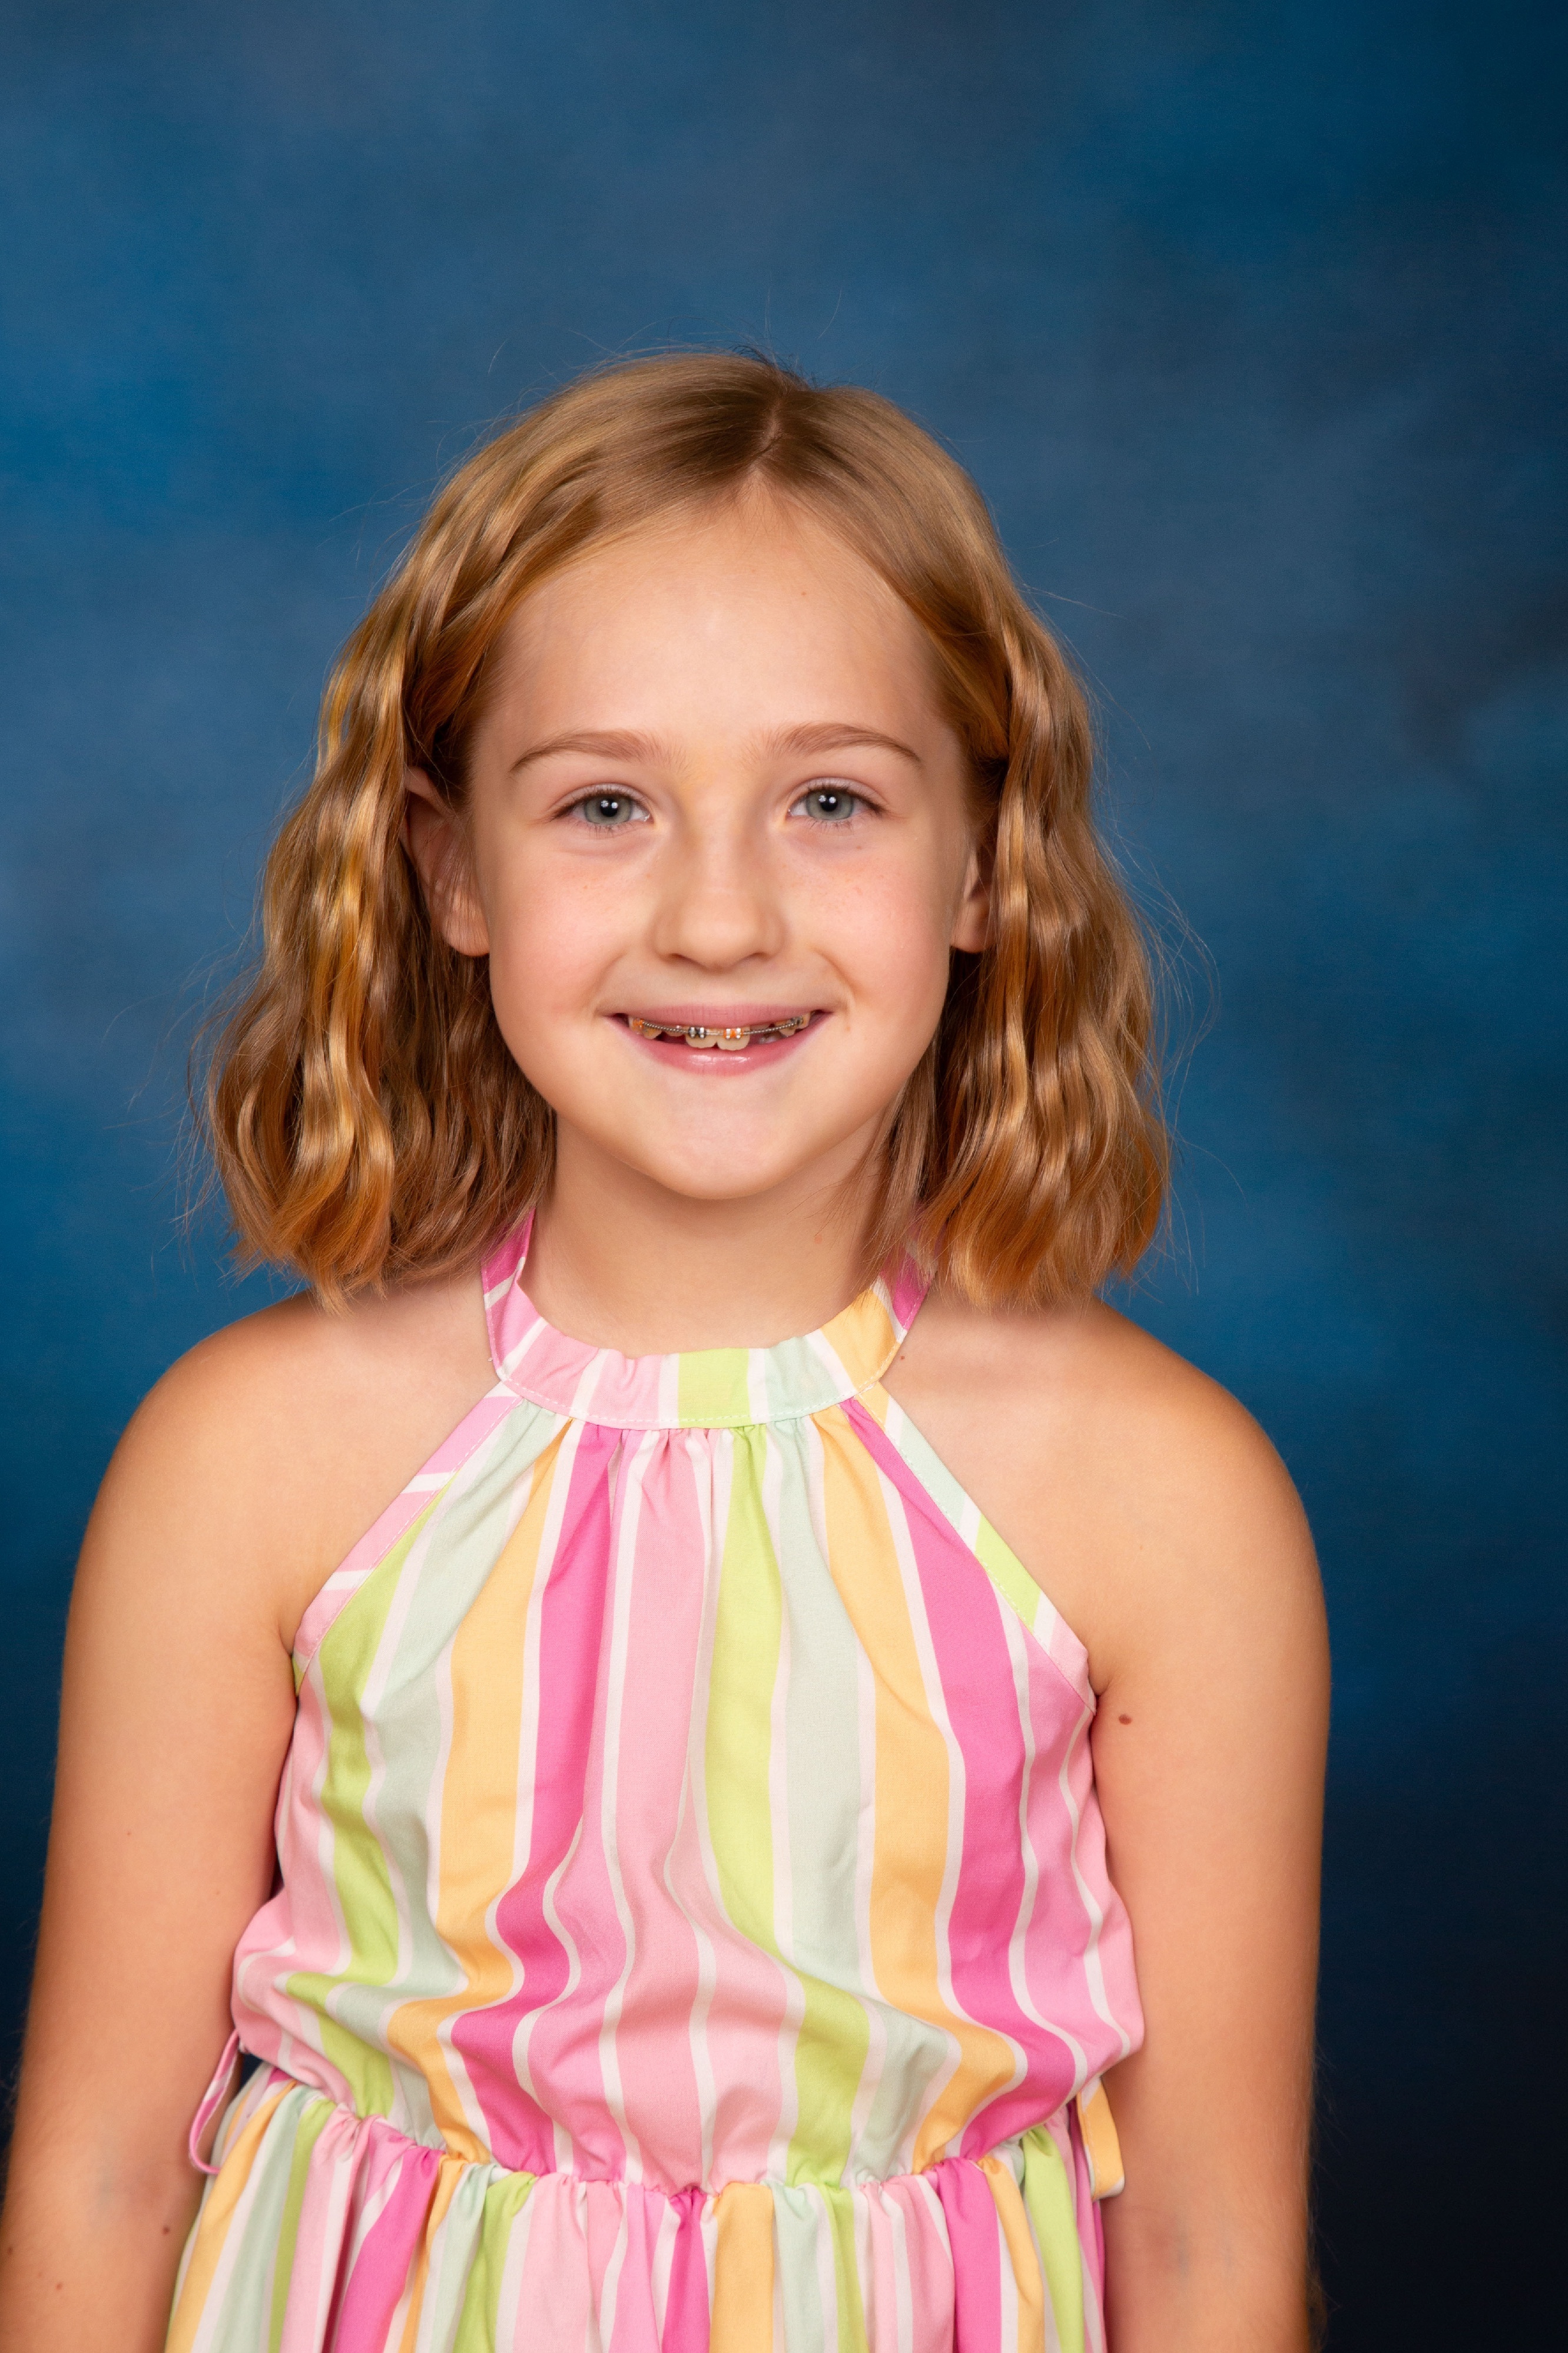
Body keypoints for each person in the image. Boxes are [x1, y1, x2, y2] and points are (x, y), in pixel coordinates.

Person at [0, 354, 1328, 2353]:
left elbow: (1212, 2240)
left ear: (986, 859)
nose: (719, 918)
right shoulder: (250, 1459)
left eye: (831, 801)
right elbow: (104, 2172)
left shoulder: (1161, 1500)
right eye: (606, 804)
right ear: (452, 867)